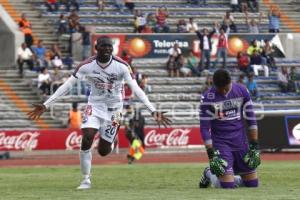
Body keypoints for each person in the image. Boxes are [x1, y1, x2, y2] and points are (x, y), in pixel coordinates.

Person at [27, 36, 170, 190]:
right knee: (87, 137)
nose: (108, 49)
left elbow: (136, 89)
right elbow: (67, 86)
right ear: (96, 48)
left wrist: (152, 110)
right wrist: (46, 104)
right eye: (104, 46)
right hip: (94, 106)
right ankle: (86, 179)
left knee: (103, 151)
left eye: (110, 46)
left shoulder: (122, 66)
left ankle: (110, 140)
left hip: (114, 109)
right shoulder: (86, 66)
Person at [199, 69, 260, 189]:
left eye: (225, 88)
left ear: (230, 82)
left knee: (253, 184)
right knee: (227, 185)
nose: (223, 91)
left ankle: (229, 176)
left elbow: (251, 119)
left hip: (240, 141)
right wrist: (212, 155)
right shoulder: (207, 97)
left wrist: (254, 147)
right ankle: (208, 173)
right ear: (213, 84)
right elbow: (204, 128)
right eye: (219, 88)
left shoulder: (242, 90)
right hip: (221, 143)